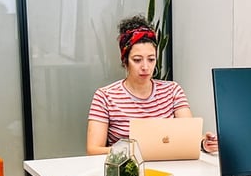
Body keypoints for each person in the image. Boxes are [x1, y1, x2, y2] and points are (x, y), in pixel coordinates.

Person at [86, 15, 218, 155]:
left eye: (151, 59)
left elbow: (190, 135)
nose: (145, 67)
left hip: (170, 165)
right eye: (137, 60)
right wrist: (135, 151)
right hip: (128, 166)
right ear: (125, 61)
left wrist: (204, 143)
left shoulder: (172, 91)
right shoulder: (105, 96)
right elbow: (93, 150)